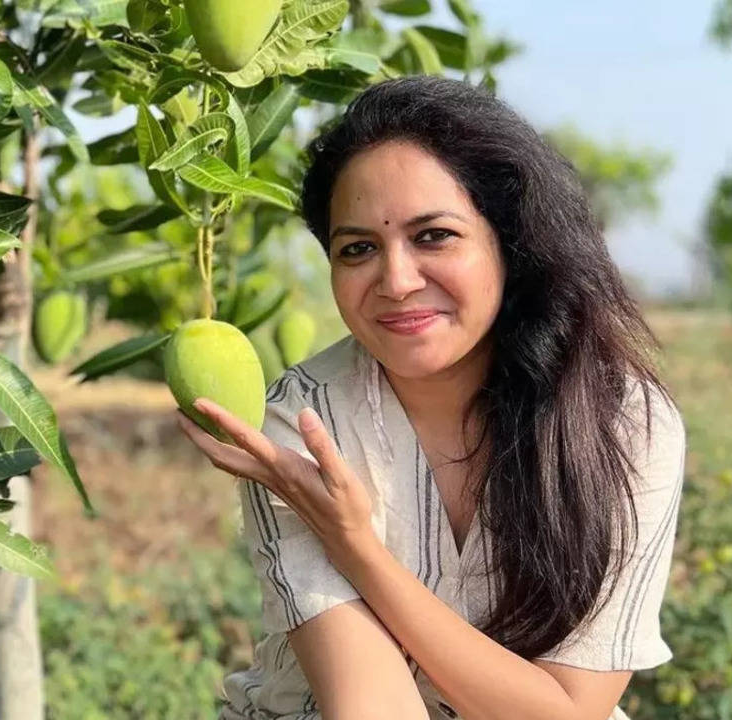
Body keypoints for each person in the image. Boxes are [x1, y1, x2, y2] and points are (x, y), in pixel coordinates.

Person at [177, 75, 686, 720]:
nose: (396, 280)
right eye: (357, 248)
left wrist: (356, 546)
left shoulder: (625, 423)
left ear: (511, 241)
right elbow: (372, 709)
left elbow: (570, 712)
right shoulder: (303, 422)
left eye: (433, 236)